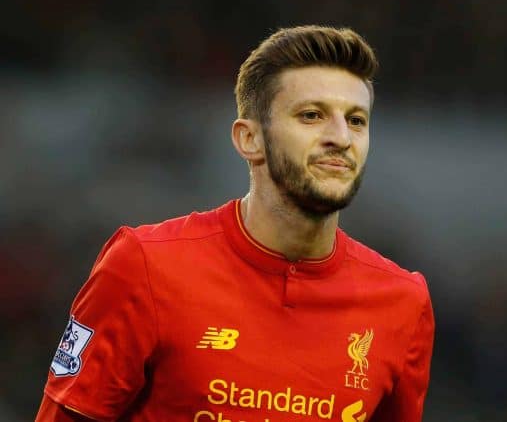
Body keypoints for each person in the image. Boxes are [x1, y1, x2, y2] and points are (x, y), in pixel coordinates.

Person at [35, 25, 434, 422]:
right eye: (312, 115)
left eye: (357, 121)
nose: (341, 137)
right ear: (250, 140)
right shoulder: (144, 267)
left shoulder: (403, 303)